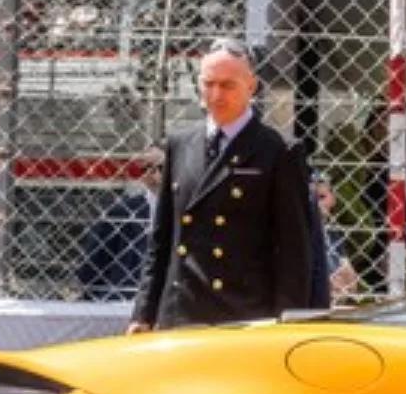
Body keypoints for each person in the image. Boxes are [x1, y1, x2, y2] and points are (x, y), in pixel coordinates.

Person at [129, 40, 313, 332]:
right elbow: (162, 239)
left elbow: (294, 251)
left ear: (251, 86)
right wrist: (143, 313)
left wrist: (286, 323)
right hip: (180, 311)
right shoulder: (180, 145)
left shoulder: (278, 151)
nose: (216, 95)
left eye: (228, 85)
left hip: (242, 314)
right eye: (208, 84)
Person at [79, 148, 162, 301]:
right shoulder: (123, 211)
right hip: (127, 296)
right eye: (146, 169)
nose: (154, 175)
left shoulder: (192, 208)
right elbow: (93, 262)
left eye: (162, 168)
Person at [305, 171, 358, 307]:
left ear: (333, 199)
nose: (316, 204)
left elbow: (351, 281)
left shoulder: (333, 233)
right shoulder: (303, 234)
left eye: (321, 197)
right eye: (311, 198)